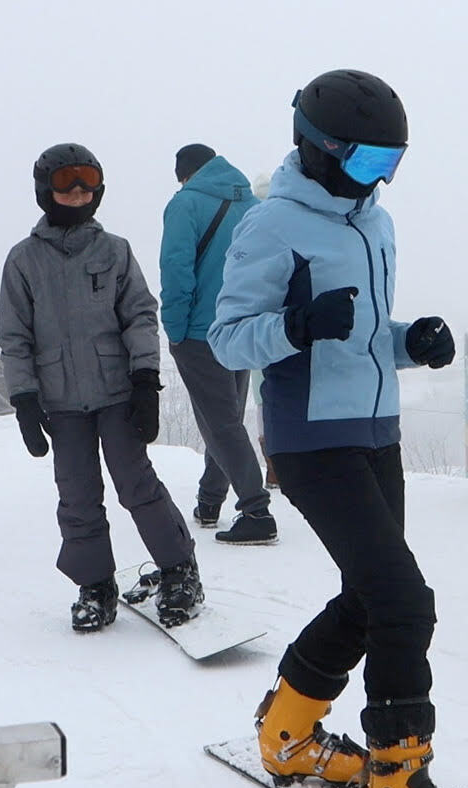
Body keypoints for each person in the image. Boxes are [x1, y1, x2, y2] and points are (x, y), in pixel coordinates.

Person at [208, 69, 468, 788]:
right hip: (311, 441)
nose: (379, 180)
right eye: (368, 163)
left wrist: (411, 343)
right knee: (404, 601)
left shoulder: (377, 225)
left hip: (377, 433)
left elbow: (364, 336)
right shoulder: (272, 226)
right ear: (321, 147)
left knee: (370, 601)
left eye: (391, 165)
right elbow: (230, 337)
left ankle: (288, 733)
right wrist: (297, 323)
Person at [0, 142, 200, 632]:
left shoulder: (115, 251)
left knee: (137, 485)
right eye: (67, 182)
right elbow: (14, 335)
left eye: (87, 181)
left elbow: (139, 316)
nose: (78, 192)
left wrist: (146, 381)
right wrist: (24, 399)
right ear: (46, 190)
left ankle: (179, 571)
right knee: (76, 494)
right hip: (62, 403)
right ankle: (94, 584)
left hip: (116, 394)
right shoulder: (23, 260)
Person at [159, 142, 274, 544]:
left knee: (220, 421)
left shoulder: (185, 204)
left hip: (199, 331)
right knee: (224, 418)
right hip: (241, 328)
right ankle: (210, 501)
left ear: (187, 175)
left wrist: (173, 328)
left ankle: (256, 509)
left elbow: (176, 269)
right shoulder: (251, 204)